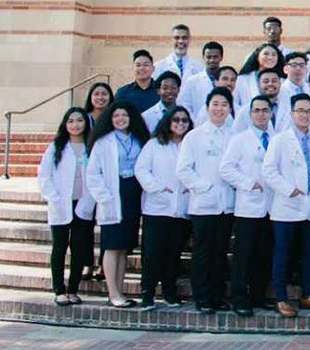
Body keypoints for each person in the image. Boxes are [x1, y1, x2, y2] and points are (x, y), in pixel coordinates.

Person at [263, 93, 310, 317]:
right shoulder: (280, 140)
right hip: (285, 207)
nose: (305, 115)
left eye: (309, 111)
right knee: (282, 254)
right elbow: (269, 172)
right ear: (291, 114)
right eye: (300, 111)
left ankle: (308, 294)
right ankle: (281, 298)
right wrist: (289, 189)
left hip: (309, 206)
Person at [175, 88, 237, 313]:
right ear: (207, 107)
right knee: (202, 253)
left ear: (230, 109)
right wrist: (205, 187)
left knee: (220, 253)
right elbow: (183, 170)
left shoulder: (234, 135)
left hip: (226, 205)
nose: (220, 109)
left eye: (224, 105)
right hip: (203, 205)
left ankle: (217, 296)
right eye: (215, 104)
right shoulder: (194, 136)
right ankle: (201, 297)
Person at [85, 100, 150, 309]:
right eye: (116, 116)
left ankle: (119, 290)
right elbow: (93, 174)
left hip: (133, 193)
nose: (120, 120)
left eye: (124, 116)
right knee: (112, 246)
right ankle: (112, 293)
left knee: (123, 248)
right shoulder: (104, 142)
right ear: (110, 119)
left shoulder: (138, 139)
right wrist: (104, 197)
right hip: (113, 194)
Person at [219, 96, 277, 316]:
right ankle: (239, 298)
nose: (261, 114)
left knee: (263, 254)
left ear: (271, 113)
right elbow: (226, 169)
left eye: (265, 110)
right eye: (257, 110)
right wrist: (248, 183)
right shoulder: (240, 139)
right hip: (247, 207)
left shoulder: (276, 138)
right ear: (250, 114)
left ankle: (258, 297)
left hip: (271, 207)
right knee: (243, 255)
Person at [134, 106, 193, 311]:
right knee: (152, 254)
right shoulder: (154, 144)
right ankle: (148, 294)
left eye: (184, 120)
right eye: (176, 119)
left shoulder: (191, 144)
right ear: (168, 121)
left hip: (182, 209)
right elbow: (141, 169)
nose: (180, 123)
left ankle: (170, 293)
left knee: (173, 254)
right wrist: (157, 188)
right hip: (157, 209)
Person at [39, 107, 95, 307]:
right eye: (70, 121)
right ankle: (59, 290)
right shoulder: (57, 146)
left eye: (79, 120)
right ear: (65, 124)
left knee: (79, 248)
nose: (75, 125)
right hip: (61, 203)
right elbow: (44, 176)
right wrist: (53, 197)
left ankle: (73, 289)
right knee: (60, 247)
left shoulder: (91, 146)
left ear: (86, 123)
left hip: (84, 203)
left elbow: (96, 175)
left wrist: (92, 199)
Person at [175, 42, 225, 119]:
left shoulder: (228, 81)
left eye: (215, 57)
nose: (212, 60)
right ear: (203, 57)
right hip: (198, 126)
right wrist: (194, 122)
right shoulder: (192, 81)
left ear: (221, 57)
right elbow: (184, 105)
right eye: (208, 57)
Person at [231, 68, 283, 134]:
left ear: (280, 83)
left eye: (274, 81)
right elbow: (236, 134)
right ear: (258, 85)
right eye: (266, 81)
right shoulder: (246, 110)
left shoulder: (289, 107)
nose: (270, 84)